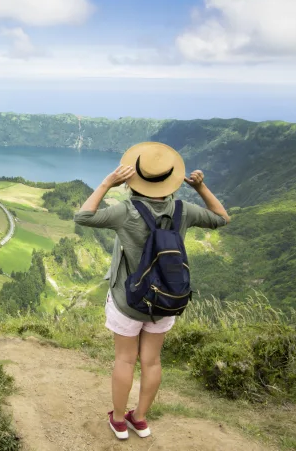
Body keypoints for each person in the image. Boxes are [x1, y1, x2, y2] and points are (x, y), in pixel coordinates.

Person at [73, 142, 230, 440]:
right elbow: (222, 218)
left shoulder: (125, 211)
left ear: (134, 179)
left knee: (125, 360)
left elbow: (83, 216)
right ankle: (141, 419)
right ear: (170, 179)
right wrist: (200, 188)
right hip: (165, 301)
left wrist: (108, 182)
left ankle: (119, 421)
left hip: (128, 301)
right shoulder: (184, 211)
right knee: (152, 361)